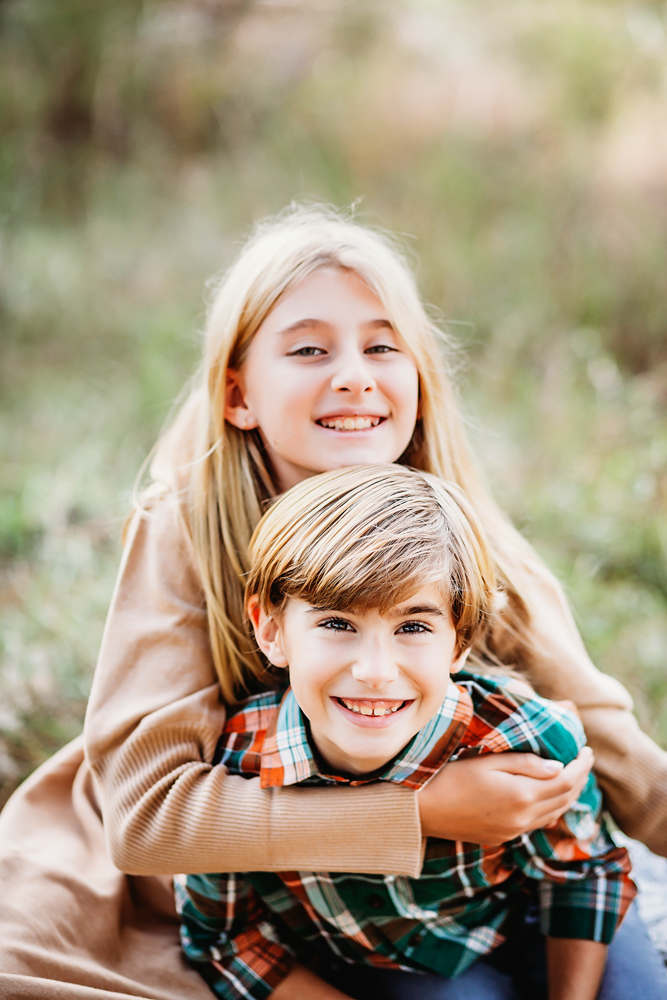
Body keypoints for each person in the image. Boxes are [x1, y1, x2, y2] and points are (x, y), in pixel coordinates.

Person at [1, 205, 665, 1000]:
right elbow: (144, 819)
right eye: (310, 349)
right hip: (280, 874)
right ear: (237, 394)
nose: (352, 373)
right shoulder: (189, 523)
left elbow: (602, 736)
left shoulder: (455, 526)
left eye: (382, 346)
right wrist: (416, 815)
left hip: (496, 873)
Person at [176, 464, 646, 1000]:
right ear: (271, 630)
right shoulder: (237, 765)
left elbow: (581, 876)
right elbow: (224, 940)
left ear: (460, 641)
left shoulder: (526, 737)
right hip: (385, 960)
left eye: (413, 627)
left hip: (532, 926)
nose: (375, 671)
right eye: (337, 624)